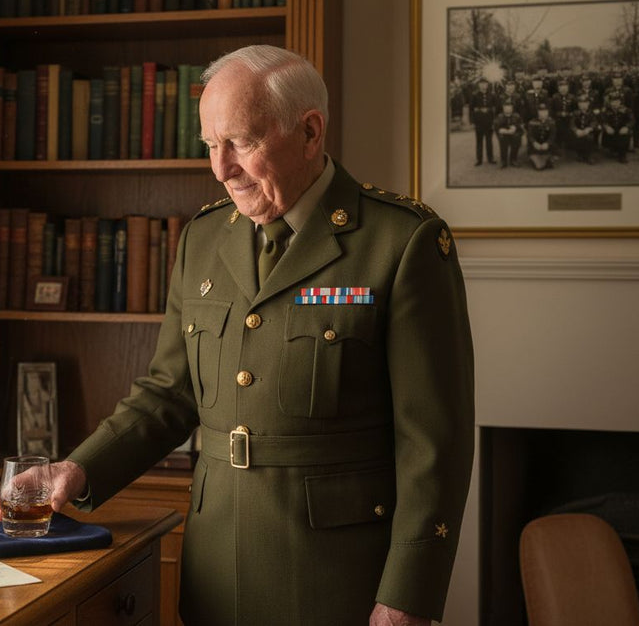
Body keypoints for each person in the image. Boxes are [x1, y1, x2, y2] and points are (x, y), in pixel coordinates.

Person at [36, 45, 475, 625]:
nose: (220, 168)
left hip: (340, 576)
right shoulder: (203, 237)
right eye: (210, 146)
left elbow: (434, 444)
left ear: (310, 132)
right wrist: (80, 469)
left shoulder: (402, 243)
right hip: (217, 565)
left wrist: (409, 595)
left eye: (240, 142)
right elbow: (170, 392)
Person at [469, 78, 497, 165]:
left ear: (487, 85)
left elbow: (495, 108)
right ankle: (479, 159)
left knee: (489, 141)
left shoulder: (492, 95)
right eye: (481, 84)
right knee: (479, 141)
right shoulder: (474, 95)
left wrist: (494, 121)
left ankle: (490, 158)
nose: (483, 85)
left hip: (489, 121)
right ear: (479, 85)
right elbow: (471, 109)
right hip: (479, 121)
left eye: (485, 84)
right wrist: (472, 122)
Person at [601, 93, 635, 163]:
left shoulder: (626, 110)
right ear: (610, 102)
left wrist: (626, 127)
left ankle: (622, 155)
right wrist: (606, 126)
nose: (615, 103)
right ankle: (612, 148)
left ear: (620, 102)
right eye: (613, 101)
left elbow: (632, 120)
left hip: (621, 130)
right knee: (608, 134)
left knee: (625, 134)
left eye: (617, 101)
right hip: (611, 130)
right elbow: (602, 120)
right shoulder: (605, 110)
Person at [526, 103, 557, 170]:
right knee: (539, 167)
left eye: (545, 111)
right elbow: (530, 135)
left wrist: (547, 143)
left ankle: (547, 159)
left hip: (546, 146)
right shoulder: (532, 122)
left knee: (552, 156)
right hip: (535, 146)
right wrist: (534, 143)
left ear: (548, 112)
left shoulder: (551, 122)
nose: (543, 113)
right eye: (541, 111)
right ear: (538, 112)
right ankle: (540, 160)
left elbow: (553, 135)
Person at [494, 100, 524, 168]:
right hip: (504, 136)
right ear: (503, 108)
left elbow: (521, 128)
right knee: (503, 139)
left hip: (514, 135)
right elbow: (496, 127)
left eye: (509, 107)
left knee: (517, 139)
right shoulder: (499, 116)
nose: (508, 109)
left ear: (512, 108)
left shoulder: (517, 116)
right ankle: (503, 160)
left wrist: (515, 128)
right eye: (506, 107)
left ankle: (513, 159)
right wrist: (502, 131)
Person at [570, 95, 600, 164]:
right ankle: (580, 154)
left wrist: (589, 129)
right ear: (578, 104)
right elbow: (572, 123)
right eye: (580, 103)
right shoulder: (575, 113)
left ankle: (589, 155)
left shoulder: (592, 113)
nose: (583, 105)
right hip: (579, 131)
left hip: (588, 132)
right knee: (576, 137)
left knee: (590, 138)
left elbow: (594, 122)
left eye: (585, 103)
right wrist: (576, 130)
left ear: (588, 104)